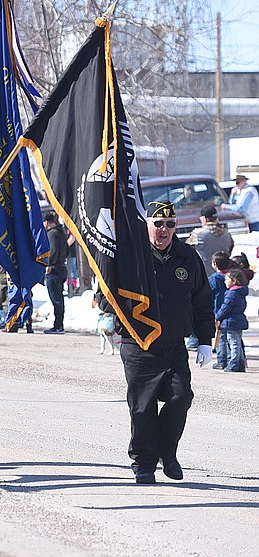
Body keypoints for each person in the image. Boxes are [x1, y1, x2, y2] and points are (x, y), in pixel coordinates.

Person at [101, 200, 213, 484]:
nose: (164, 230)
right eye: (158, 224)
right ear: (147, 225)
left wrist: (205, 339)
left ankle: (167, 451)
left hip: (174, 344)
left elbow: (202, 300)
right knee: (142, 405)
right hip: (138, 344)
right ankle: (143, 463)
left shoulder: (188, 257)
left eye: (170, 225)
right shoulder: (130, 257)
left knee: (181, 396)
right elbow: (105, 297)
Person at [215, 268, 249, 373]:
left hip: (231, 322)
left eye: (227, 279)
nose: (225, 282)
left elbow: (226, 307)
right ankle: (240, 364)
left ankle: (234, 364)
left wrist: (218, 316)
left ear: (233, 281)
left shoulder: (232, 293)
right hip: (238, 320)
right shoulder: (240, 292)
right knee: (237, 343)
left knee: (233, 343)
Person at [186, 205, 234, 275]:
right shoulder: (227, 234)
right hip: (225, 276)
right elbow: (230, 250)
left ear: (204, 219)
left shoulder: (198, 234)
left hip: (205, 276)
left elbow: (187, 251)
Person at [43, 211, 68, 334]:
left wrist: (49, 263)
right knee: (59, 298)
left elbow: (52, 250)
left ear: (47, 222)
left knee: (56, 299)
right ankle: (59, 324)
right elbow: (67, 250)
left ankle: (58, 325)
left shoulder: (51, 234)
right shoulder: (61, 232)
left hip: (54, 269)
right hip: (62, 267)